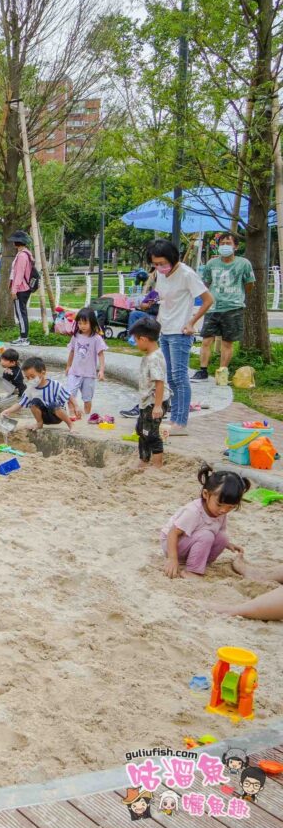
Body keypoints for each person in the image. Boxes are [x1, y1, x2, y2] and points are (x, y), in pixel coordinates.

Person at [148, 238, 214, 436]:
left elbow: (208, 299)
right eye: (155, 264)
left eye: (162, 263)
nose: (159, 267)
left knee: (179, 376)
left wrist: (191, 322)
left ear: (172, 258)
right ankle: (175, 417)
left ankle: (181, 422)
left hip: (180, 332)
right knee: (170, 377)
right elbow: (162, 298)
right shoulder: (162, 274)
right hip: (165, 329)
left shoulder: (186, 273)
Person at [161, 463, 249, 578]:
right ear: (206, 494)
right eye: (219, 504)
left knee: (222, 537)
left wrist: (227, 544)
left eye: (230, 507)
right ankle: (191, 571)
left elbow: (217, 532)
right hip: (173, 544)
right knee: (206, 535)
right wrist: (172, 559)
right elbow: (173, 533)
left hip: (194, 541)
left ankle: (200, 563)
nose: (224, 510)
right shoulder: (193, 512)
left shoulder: (220, 512)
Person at [194, 233, 255, 381]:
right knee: (207, 340)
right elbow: (206, 283)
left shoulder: (243, 263)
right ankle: (203, 370)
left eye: (228, 243)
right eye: (222, 243)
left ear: (236, 246)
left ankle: (222, 373)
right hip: (213, 307)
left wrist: (237, 296)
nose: (225, 246)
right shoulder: (211, 264)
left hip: (233, 307)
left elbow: (249, 284)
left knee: (227, 342)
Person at [130, 317, 169, 470]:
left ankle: (157, 464)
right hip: (147, 402)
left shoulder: (154, 359)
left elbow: (159, 383)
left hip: (154, 403)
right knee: (141, 430)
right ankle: (144, 460)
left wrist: (158, 406)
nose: (136, 344)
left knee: (151, 434)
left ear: (144, 339)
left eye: (136, 340)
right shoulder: (151, 355)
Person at [1, 356, 72, 430]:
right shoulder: (30, 389)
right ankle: (39, 423)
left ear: (43, 373)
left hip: (57, 416)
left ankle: (71, 425)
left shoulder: (55, 385)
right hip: (44, 418)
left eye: (32, 376)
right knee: (34, 402)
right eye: (27, 377)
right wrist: (8, 410)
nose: (30, 379)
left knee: (53, 405)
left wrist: (76, 407)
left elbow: (68, 395)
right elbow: (20, 404)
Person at [63, 307, 108, 421]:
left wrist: (101, 370)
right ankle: (72, 414)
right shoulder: (76, 336)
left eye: (85, 323)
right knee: (70, 394)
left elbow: (101, 355)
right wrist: (68, 366)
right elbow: (72, 351)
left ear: (92, 322)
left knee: (87, 398)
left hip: (89, 374)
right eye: (79, 323)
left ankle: (87, 415)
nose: (82, 326)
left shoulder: (96, 338)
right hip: (74, 371)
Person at [9, 231, 34, 346]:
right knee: (21, 313)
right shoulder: (26, 254)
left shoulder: (22, 256)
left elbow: (19, 274)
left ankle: (24, 338)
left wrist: (14, 290)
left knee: (20, 313)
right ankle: (23, 337)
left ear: (16, 243)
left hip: (21, 289)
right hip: (24, 288)